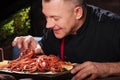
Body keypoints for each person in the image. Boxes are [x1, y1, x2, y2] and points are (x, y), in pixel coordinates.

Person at [12, 0, 120, 80]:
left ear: (78, 12)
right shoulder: (54, 28)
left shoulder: (113, 26)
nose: (48, 25)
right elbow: (45, 46)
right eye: (46, 17)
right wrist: (36, 47)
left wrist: (106, 68)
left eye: (55, 18)